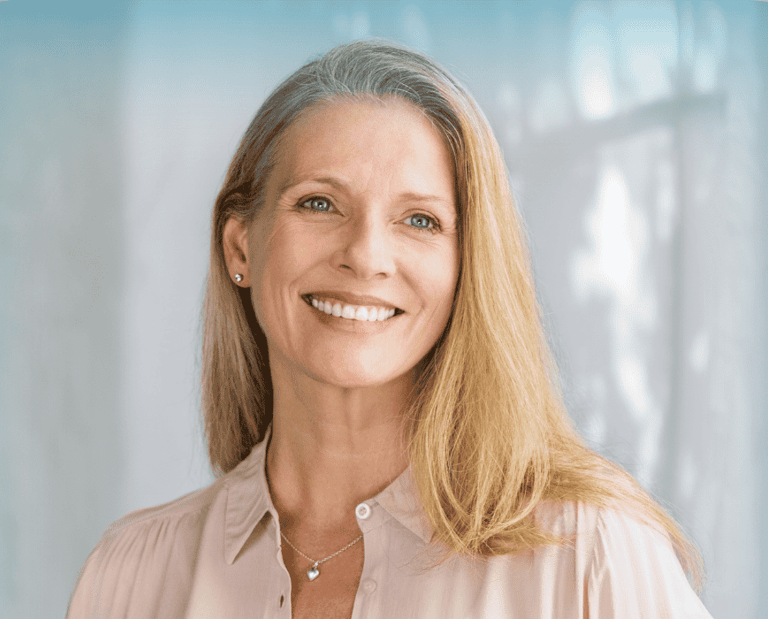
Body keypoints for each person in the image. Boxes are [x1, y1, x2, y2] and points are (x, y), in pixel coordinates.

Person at [67, 40, 713, 618]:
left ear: (468, 266)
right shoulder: (129, 579)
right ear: (240, 247)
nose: (366, 254)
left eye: (420, 221)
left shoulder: (589, 555)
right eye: (319, 203)